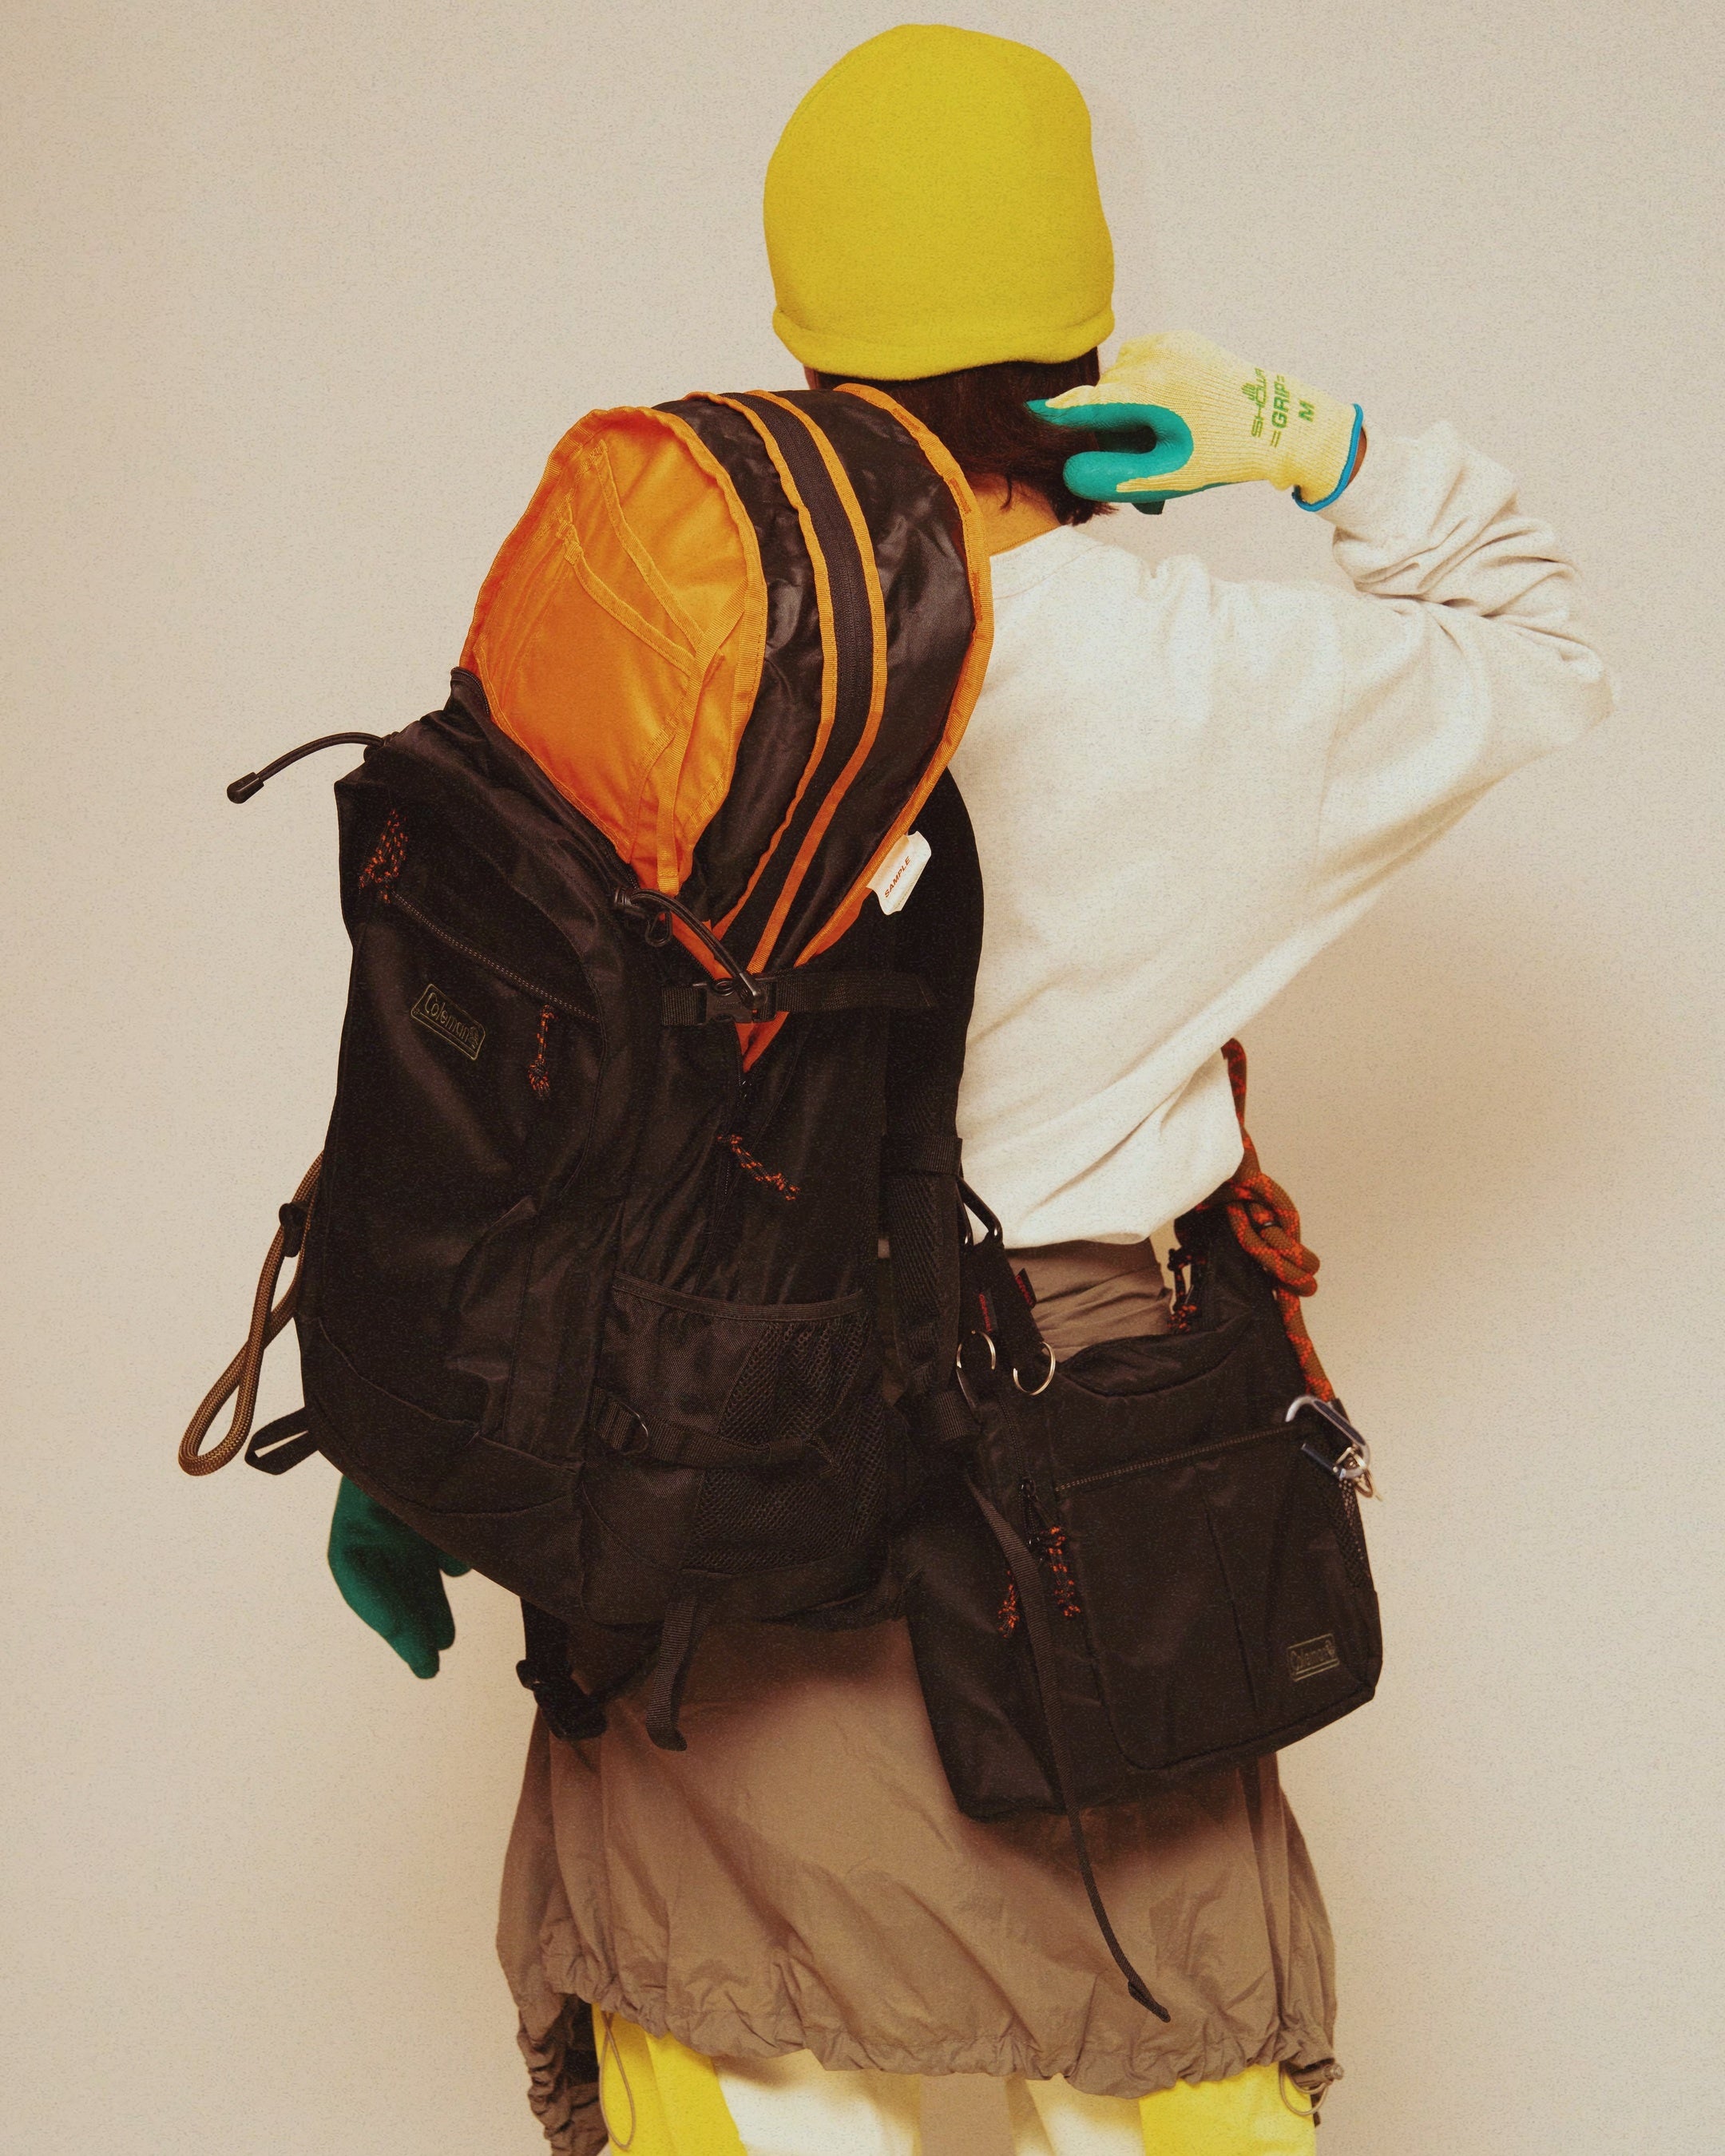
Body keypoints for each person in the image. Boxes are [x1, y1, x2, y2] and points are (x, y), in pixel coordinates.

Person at [331, 25, 1610, 2154]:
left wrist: (411, 1414)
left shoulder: (672, 627)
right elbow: (1539, 643)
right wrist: (1322, 448)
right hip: (1081, 1481)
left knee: (730, 2049)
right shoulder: (1196, 675)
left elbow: (521, 1042)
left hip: (701, 1450)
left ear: (806, 325)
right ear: (1086, 327)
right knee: (1160, 2048)